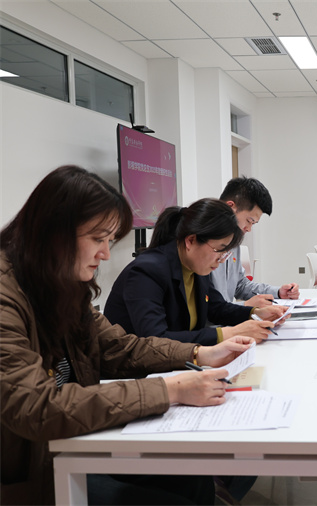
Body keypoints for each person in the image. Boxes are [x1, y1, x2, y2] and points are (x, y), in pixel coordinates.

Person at [0, 165, 256, 505]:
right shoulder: (7, 296)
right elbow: (37, 407)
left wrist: (197, 354)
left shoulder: (61, 283)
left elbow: (118, 347)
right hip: (34, 471)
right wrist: (169, 389)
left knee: (193, 478)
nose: (106, 254)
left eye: (109, 241)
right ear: (54, 232)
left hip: (78, 441)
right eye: (98, 239)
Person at [105, 198, 286, 346]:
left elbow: (217, 308)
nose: (222, 259)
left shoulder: (195, 266)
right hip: (133, 372)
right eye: (219, 250)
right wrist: (228, 334)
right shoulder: (146, 272)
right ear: (191, 241)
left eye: (226, 253)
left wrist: (255, 313)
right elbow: (156, 339)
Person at [210, 176, 299, 308]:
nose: (249, 229)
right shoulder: (204, 243)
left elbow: (240, 285)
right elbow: (209, 308)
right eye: (249, 221)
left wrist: (278, 292)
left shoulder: (234, 242)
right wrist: (245, 306)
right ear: (230, 207)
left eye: (253, 223)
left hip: (227, 317)